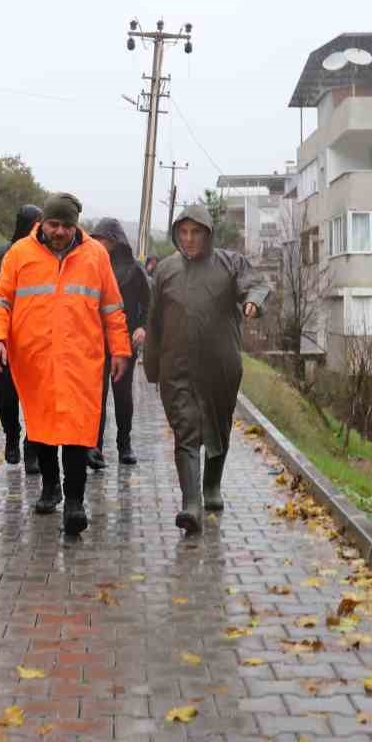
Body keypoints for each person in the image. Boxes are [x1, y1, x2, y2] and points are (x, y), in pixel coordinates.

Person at [0, 192, 132, 536]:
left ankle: (76, 503)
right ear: (42, 223)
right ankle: (51, 487)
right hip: (33, 359)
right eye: (54, 224)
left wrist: (120, 350)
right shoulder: (20, 254)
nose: (61, 232)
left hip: (82, 359)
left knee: (79, 430)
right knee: (43, 427)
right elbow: (0, 301)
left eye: (67, 225)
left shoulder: (95, 255)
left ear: (76, 225)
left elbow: (112, 307)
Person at [144, 203, 269, 533]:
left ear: (208, 234)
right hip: (177, 368)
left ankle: (212, 484)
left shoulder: (230, 263)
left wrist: (253, 302)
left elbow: (255, 283)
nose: (189, 239)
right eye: (183, 233)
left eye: (196, 232)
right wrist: (152, 366)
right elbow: (154, 322)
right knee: (186, 431)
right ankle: (191, 506)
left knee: (218, 427)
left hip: (221, 367)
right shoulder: (165, 271)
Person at [0, 204, 42, 468]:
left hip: (34, 344)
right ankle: (12, 437)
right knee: (7, 398)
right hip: (4, 344)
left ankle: (33, 448)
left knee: (35, 400)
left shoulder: (44, 259)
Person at [87, 218, 151, 467]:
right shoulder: (90, 266)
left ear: (113, 242)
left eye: (100, 239)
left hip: (124, 343)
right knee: (96, 396)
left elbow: (149, 302)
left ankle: (124, 445)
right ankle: (95, 447)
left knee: (123, 395)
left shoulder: (135, 271)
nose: (96, 243)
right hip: (94, 341)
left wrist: (142, 327)